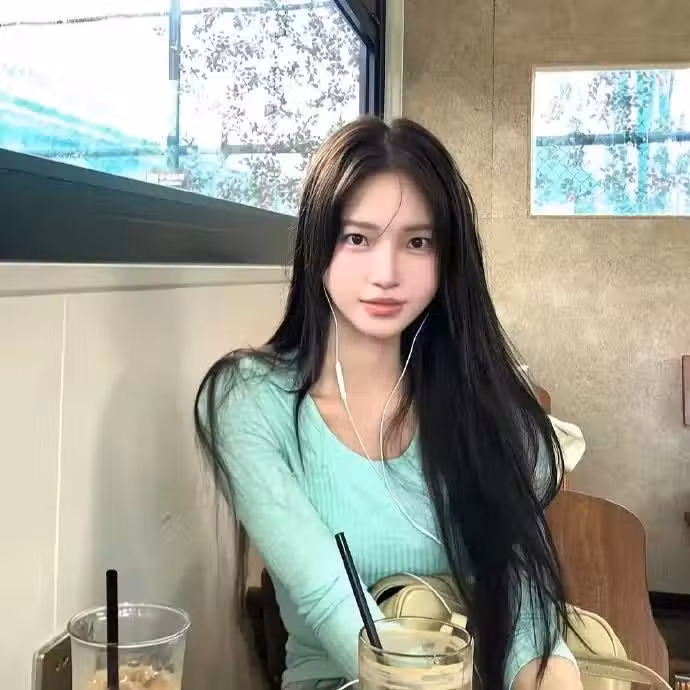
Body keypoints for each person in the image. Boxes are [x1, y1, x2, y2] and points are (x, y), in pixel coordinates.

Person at [194, 116, 582, 690]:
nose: (386, 274)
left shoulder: (483, 407)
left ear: (448, 259)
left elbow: (527, 601)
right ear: (318, 245)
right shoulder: (249, 401)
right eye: (358, 238)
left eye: (417, 242)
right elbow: (330, 599)